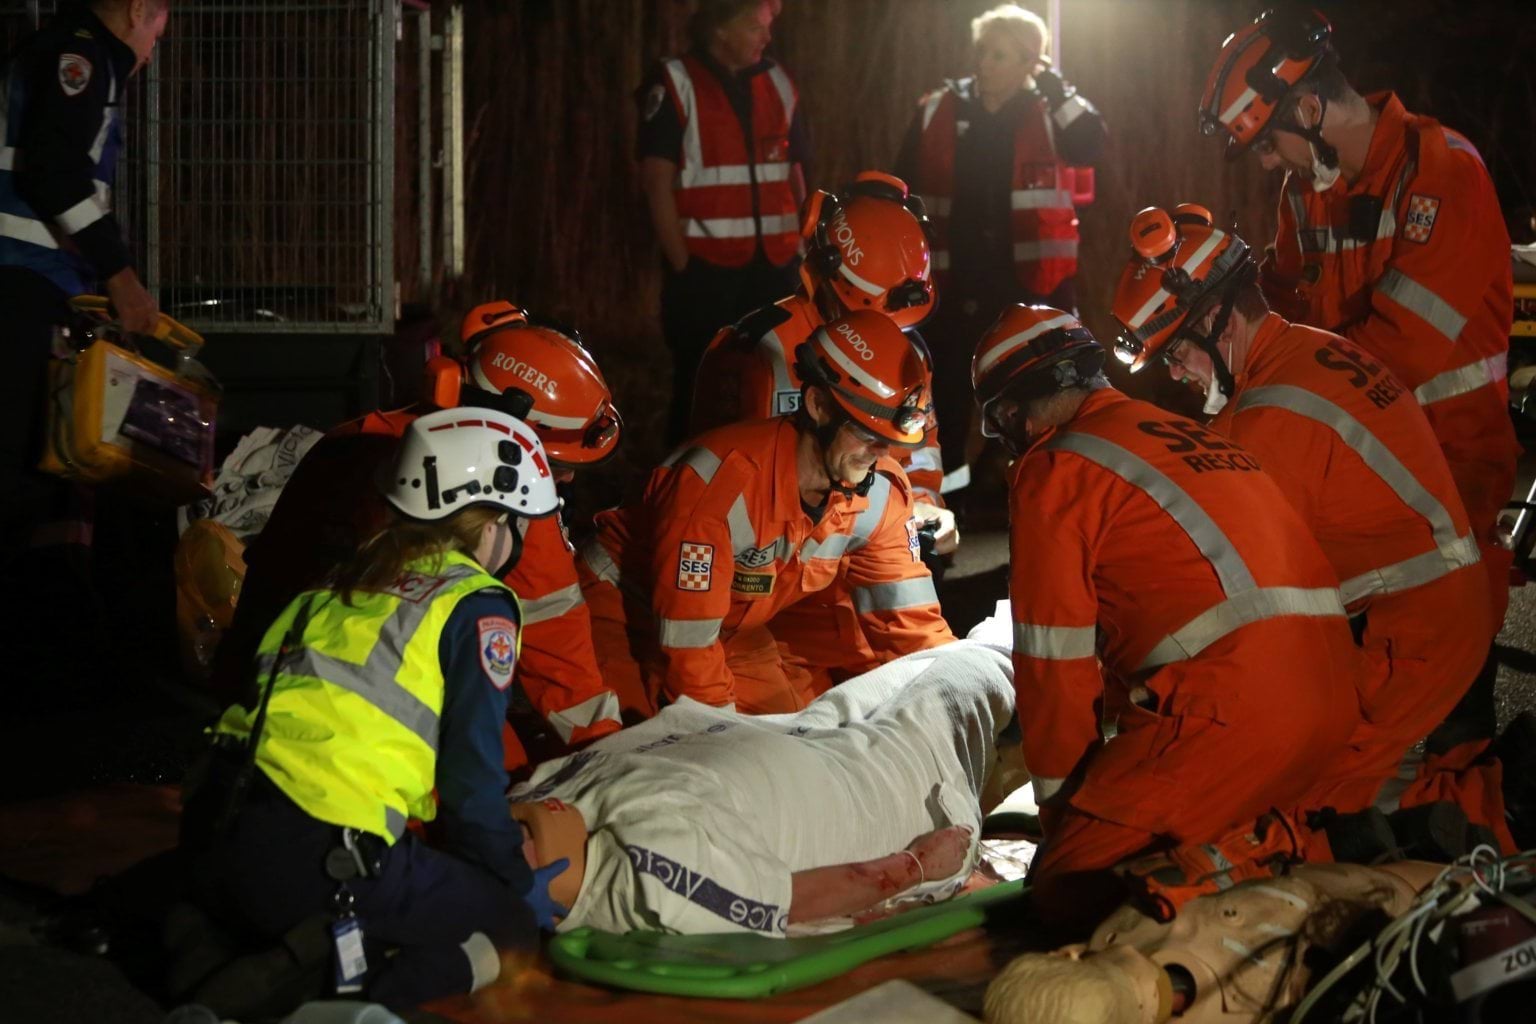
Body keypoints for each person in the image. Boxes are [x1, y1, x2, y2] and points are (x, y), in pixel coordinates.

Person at [1110, 204, 1518, 856]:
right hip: (1435, 613)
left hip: (1406, 640)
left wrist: (1135, 703)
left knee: (1290, 824)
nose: (1178, 374)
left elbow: (1225, 606)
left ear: (1221, 319)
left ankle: (1494, 820)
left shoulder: (1269, 419)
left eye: (1179, 352)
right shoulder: (1312, 349)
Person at [972, 304, 1361, 933]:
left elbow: (1054, 667)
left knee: (1068, 890)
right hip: (1334, 699)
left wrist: (1063, 818)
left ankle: (1251, 863)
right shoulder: (1189, 436)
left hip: (1235, 716)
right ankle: (1294, 849)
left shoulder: (1057, 468)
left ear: (1015, 414)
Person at [1198, 8, 1519, 750]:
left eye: (1267, 142)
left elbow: (1395, 356)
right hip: (1348, 462)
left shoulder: (1443, 174)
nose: (1270, 164)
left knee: (1432, 709)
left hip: (1450, 467)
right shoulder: (1306, 192)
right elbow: (1279, 323)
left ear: (1309, 108)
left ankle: (1463, 808)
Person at [184, 409, 569, 1008]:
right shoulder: (474, 603)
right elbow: (470, 786)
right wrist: (515, 886)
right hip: (316, 855)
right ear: (492, 520)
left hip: (213, 825)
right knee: (509, 930)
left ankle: (240, 952)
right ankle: (328, 999)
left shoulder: (342, 578)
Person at [211, 302, 624, 773]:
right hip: (364, 737)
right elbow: (560, 654)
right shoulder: (511, 503)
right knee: (512, 762)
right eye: (560, 464)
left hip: (260, 697)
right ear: (507, 428)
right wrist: (610, 759)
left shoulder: (353, 440)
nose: (564, 481)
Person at [580, 309, 955, 717]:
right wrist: (719, 736)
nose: (880, 455)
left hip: (732, 629)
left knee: (797, 746)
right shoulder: (719, 487)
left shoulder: (880, 489)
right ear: (817, 406)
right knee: (633, 750)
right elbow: (689, 650)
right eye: (867, 435)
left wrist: (962, 688)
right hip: (624, 615)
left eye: (890, 441)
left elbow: (909, 624)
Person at [507, 640, 1012, 936]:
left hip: (794, 737)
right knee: (975, 673)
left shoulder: (543, 791)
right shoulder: (648, 865)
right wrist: (917, 866)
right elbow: (793, 900)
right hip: (872, 792)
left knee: (946, 655)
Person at [690, 170, 957, 694]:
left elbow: (919, 445)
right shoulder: (755, 351)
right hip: (775, 604)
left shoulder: (908, 351)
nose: (883, 332)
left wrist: (924, 505)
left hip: (866, 580)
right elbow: (725, 499)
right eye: (865, 312)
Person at [896, 3, 1105, 483]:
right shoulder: (940, 109)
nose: (984, 63)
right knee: (947, 397)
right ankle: (947, 506)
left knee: (1037, 395)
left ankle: (1030, 493)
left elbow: (1091, 143)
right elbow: (903, 183)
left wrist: (1056, 88)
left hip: (1032, 286)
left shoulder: (1052, 110)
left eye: (1000, 55)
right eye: (983, 52)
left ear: (1030, 62)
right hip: (954, 282)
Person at [0, 0, 167, 594]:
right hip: (23, 283)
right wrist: (120, 277)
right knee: (23, 478)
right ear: (139, 9)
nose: (154, 46)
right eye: (157, 26)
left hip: (36, 284)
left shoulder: (61, 52)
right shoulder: (83, 58)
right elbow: (52, 171)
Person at [637, 0, 809, 445]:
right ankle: (686, 491)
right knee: (699, 387)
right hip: (705, 273)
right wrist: (682, 265)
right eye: (755, 27)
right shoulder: (675, 82)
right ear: (720, 30)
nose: (767, 37)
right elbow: (657, 180)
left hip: (774, 271)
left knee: (777, 386)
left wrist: (801, 248)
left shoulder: (777, 82)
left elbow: (795, 172)